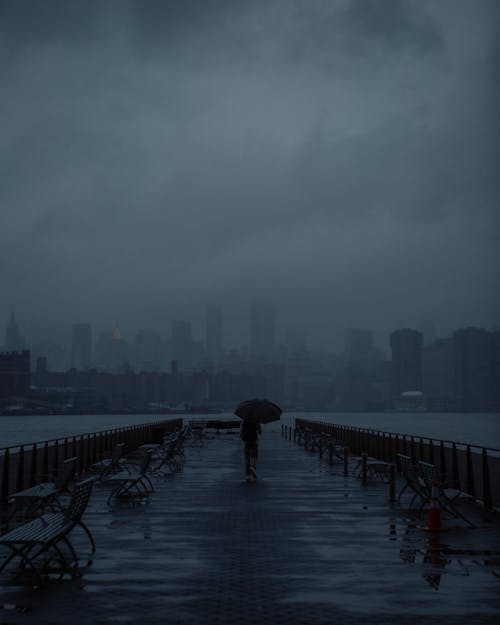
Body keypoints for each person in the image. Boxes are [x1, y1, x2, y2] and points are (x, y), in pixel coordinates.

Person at [240, 417, 262, 482]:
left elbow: (241, 432)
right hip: (254, 440)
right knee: (254, 456)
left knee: (247, 457)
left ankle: (247, 475)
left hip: (246, 441)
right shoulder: (256, 420)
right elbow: (260, 431)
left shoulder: (244, 421)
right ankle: (252, 468)